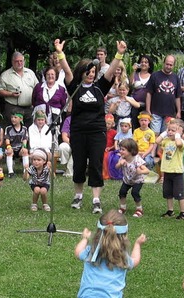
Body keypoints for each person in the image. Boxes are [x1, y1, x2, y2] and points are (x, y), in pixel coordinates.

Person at [55, 38, 127, 214]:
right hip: (78, 132)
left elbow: (110, 71)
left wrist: (119, 54)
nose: (91, 74)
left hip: (97, 132)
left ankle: (96, 199)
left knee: (95, 163)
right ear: (82, 72)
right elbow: (65, 69)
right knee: (79, 164)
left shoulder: (100, 87)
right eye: (88, 71)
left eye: (93, 71)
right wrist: (60, 52)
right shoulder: (75, 86)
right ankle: (78, 196)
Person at [74, 210, 146, 298]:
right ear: (123, 236)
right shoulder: (122, 257)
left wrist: (84, 238)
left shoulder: (90, 252)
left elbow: (78, 252)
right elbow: (135, 261)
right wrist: (138, 244)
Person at [156, 118, 184, 219]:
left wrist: (177, 135)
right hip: (167, 171)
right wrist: (165, 132)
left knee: (179, 194)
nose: (170, 132)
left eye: (173, 130)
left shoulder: (181, 142)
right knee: (168, 193)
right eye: (169, 129)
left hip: (176, 172)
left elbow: (178, 144)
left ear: (179, 131)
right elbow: (157, 141)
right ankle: (170, 210)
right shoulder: (166, 141)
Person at [0, 52, 38, 127]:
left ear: (24, 61)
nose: (19, 63)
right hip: (13, 108)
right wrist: (10, 94)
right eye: (17, 61)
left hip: (29, 108)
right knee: (13, 131)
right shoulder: (5, 75)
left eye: (21, 61)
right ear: (12, 62)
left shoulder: (30, 73)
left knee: (29, 130)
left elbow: (37, 87)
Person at [146, 55, 181, 134]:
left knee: (165, 135)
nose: (168, 66)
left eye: (170, 65)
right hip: (155, 112)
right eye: (167, 64)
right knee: (155, 134)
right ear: (164, 63)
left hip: (170, 112)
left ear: (174, 65)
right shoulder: (155, 75)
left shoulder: (176, 78)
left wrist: (178, 111)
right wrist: (148, 109)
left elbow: (177, 96)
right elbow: (149, 93)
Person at [116, 138, 149, 218]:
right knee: (122, 192)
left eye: (123, 149)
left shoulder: (137, 159)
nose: (120, 151)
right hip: (127, 180)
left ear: (131, 151)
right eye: (120, 149)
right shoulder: (122, 158)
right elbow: (116, 167)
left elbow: (147, 170)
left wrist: (140, 172)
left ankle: (139, 209)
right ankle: (122, 208)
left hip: (137, 180)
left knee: (135, 193)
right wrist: (120, 164)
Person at [129, 55, 153, 128]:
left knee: (145, 125)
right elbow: (130, 84)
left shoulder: (152, 76)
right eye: (142, 62)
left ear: (149, 65)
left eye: (146, 62)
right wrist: (133, 70)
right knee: (135, 124)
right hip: (135, 105)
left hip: (147, 106)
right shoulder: (135, 74)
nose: (143, 64)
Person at [4, 111, 29, 177]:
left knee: (25, 151)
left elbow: (25, 139)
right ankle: (10, 172)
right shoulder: (8, 128)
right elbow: (7, 140)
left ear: (21, 119)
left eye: (15, 117)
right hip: (11, 148)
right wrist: (9, 147)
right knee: (9, 152)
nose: (13, 119)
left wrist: (24, 147)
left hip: (19, 149)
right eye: (12, 117)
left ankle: (26, 171)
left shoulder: (24, 129)